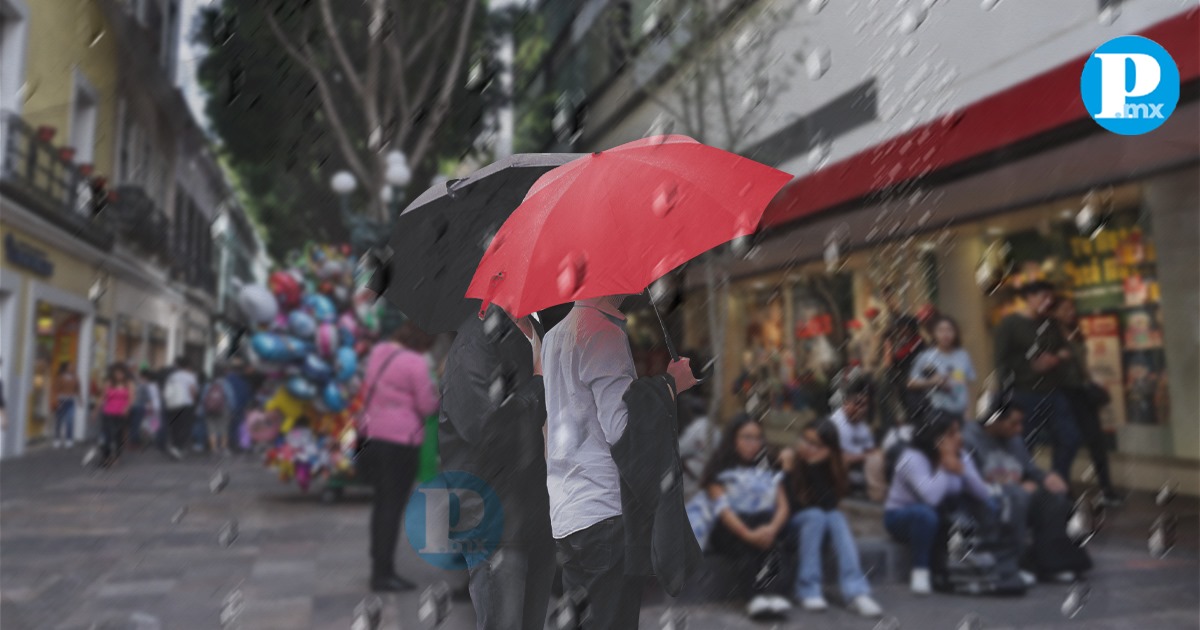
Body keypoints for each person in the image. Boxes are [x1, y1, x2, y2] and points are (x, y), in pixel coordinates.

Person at [541, 295, 698, 628]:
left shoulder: (553, 336)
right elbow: (621, 428)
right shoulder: (602, 332)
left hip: (568, 510)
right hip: (606, 510)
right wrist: (670, 386)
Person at [440, 306, 553, 630]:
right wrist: (539, 384)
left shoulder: (535, 328)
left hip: (534, 506)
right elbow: (490, 431)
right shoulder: (473, 344)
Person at [963, 399, 1092, 583]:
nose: (1018, 429)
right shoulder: (969, 439)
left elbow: (1030, 470)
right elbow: (970, 479)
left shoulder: (1013, 440)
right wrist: (1012, 487)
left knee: (1056, 500)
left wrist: (1046, 477)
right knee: (1029, 499)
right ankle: (1038, 563)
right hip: (990, 496)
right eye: (1013, 423)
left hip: (1018, 492)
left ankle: (1057, 563)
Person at [356, 322, 439, 593]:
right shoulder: (415, 363)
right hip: (400, 443)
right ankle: (383, 575)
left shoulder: (379, 352)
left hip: (373, 438)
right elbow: (427, 405)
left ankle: (378, 566)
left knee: (381, 506)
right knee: (392, 508)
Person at [781, 419, 884, 617]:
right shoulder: (789, 460)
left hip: (819, 525)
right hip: (789, 528)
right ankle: (807, 588)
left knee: (835, 516)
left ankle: (856, 592)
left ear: (829, 449)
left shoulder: (831, 467)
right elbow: (789, 507)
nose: (808, 448)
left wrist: (817, 466)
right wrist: (787, 470)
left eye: (816, 445)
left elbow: (828, 504)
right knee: (815, 515)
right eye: (806, 440)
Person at [883, 411, 991, 594]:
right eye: (951, 434)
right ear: (935, 438)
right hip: (902, 516)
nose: (959, 438)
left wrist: (962, 470)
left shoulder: (960, 455)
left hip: (944, 513)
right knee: (925, 515)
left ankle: (1000, 565)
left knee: (990, 506)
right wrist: (944, 466)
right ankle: (921, 571)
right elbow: (931, 498)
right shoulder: (912, 458)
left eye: (958, 432)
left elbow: (983, 494)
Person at [699, 414, 793, 620]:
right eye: (747, 437)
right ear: (734, 439)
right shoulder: (720, 468)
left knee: (770, 527)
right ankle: (755, 596)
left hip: (764, 526)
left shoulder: (767, 465)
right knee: (751, 529)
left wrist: (771, 529)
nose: (753, 444)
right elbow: (724, 511)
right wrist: (750, 534)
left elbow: (783, 505)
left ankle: (774, 593)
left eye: (757, 438)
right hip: (728, 529)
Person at [993, 281, 1081, 482]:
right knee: (1023, 444)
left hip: (1052, 391)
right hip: (1023, 392)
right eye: (1043, 297)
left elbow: (1065, 349)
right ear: (1029, 298)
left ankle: (1059, 483)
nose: (1047, 302)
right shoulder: (1009, 324)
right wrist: (1027, 368)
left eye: (1050, 298)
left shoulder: (1049, 323)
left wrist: (1056, 358)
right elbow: (1001, 362)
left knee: (1070, 437)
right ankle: (1027, 488)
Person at [1051, 297, 1121, 505]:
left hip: (1081, 391)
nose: (1069, 312)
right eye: (1064, 308)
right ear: (1054, 312)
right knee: (1067, 443)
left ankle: (1107, 490)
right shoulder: (1050, 336)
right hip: (1062, 393)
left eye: (1071, 307)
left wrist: (1092, 383)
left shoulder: (1076, 333)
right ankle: (1060, 489)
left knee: (1096, 441)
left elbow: (1083, 364)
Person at [908, 316, 976, 420]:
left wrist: (969, 412)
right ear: (934, 334)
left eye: (949, 330)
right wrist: (931, 382)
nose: (945, 334)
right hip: (937, 413)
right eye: (941, 330)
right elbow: (911, 383)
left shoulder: (963, 356)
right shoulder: (926, 357)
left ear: (955, 333)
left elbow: (967, 384)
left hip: (960, 412)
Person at [829, 376, 877, 495]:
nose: (860, 409)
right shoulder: (837, 422)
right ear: (846, 403)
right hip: (835, 476)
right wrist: (867, 456)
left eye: (864, 405)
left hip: (859, 472)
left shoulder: (863, 426)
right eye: (857, 404)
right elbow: (842, 459)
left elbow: (871, 450)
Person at [96, 363, 135, 468]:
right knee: (107, 436)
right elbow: (102, 397)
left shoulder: (128, 384)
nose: (119, 375)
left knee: (118, 436)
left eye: (121, 373)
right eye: (116, 373)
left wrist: (127, 408)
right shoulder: (109, 383)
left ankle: (117, 456)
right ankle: (106, 457)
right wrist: (96, 410)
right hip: (108, 412)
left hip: (121, 413)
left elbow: (131, 398)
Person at [162, 357, 199, 460]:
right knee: (185, 427)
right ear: (189, 366)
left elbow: (167, 391)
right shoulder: (190, 376)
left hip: (173, 404)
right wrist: (195, 402)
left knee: (175, 426)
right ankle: (179, 447)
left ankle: (174, 446)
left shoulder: (172, 376)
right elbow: (193, 391)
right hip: (186, 404)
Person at [197, 365, 235, 456]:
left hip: (209, 409)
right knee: (224, 429)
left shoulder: (208, 384)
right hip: (223, 409)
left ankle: (214, 449)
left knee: (211, 429)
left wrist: (202, 409)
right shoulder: (226, 384)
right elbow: (230, 398)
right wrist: (232, 409)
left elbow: (203, 398)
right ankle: (223, 449)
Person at [52, 361, 82, 448]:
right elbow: (55, 389)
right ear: (65, 368)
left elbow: (78, 389)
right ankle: (57, 439)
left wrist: (80, 399)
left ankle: (69, 439)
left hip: (71, 401)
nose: (72, 368)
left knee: (70, 420)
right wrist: (55, 401)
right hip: (61, 400)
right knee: (59, 420)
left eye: (72, 366)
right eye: (70, 366)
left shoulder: (75, 377)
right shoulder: (60, 377)